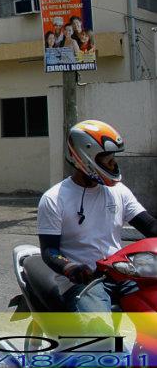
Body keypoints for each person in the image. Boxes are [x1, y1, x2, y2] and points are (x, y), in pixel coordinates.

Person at [37, 120, 157, 315]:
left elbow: (150, 226)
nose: (113, 163)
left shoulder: (119, 191)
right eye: (107, 159)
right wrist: (70, 267)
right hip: (85, 282)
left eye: (113, 158)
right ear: (85, 158)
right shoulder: (54, 198)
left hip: (123, 273)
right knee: (102, 337)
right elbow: (49, 250)